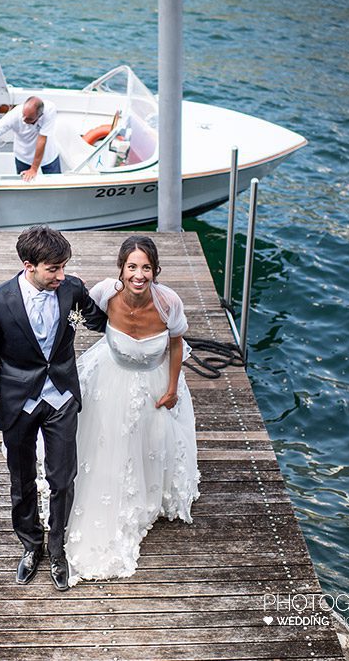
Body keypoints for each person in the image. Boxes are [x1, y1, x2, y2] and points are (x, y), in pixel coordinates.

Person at [0, 225, 106, 591]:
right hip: (18, 402)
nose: (61, 275)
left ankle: (57, 549)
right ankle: (31, 545)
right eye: (53, 269)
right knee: (22, 480)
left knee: (62, 479)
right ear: (29, 265)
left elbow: (99, 322)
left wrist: (127, 293)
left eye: (64, 268)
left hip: (60, 397)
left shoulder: (70, 288)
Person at [63, 235, 200, 585]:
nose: (139, 274)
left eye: (146, 268)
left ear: (155, 271)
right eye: (132, 267)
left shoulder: (169, 302)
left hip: (155, 379)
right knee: (110, 443)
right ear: (121, 270)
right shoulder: (105, 294)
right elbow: (78, 319)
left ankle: (151, 495)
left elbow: (175, 344)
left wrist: (171, 389)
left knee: (152, 442)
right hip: (112, 373)